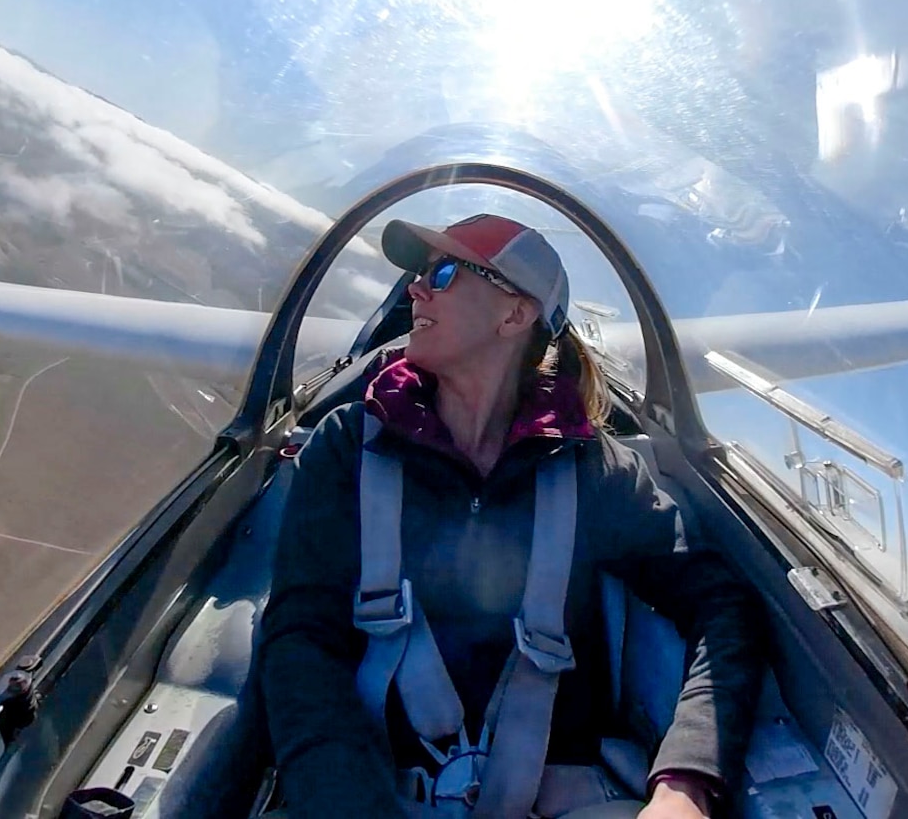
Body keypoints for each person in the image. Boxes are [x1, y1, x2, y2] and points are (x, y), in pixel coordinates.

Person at [258, 213, 763, 818]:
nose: (415, 289)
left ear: (515, 315)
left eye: (442, 272)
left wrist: (686, 783)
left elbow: (721, 604)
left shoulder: (592, 469)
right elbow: (299, 637)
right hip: (370, 789)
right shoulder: (349, 447)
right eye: (420, 273)